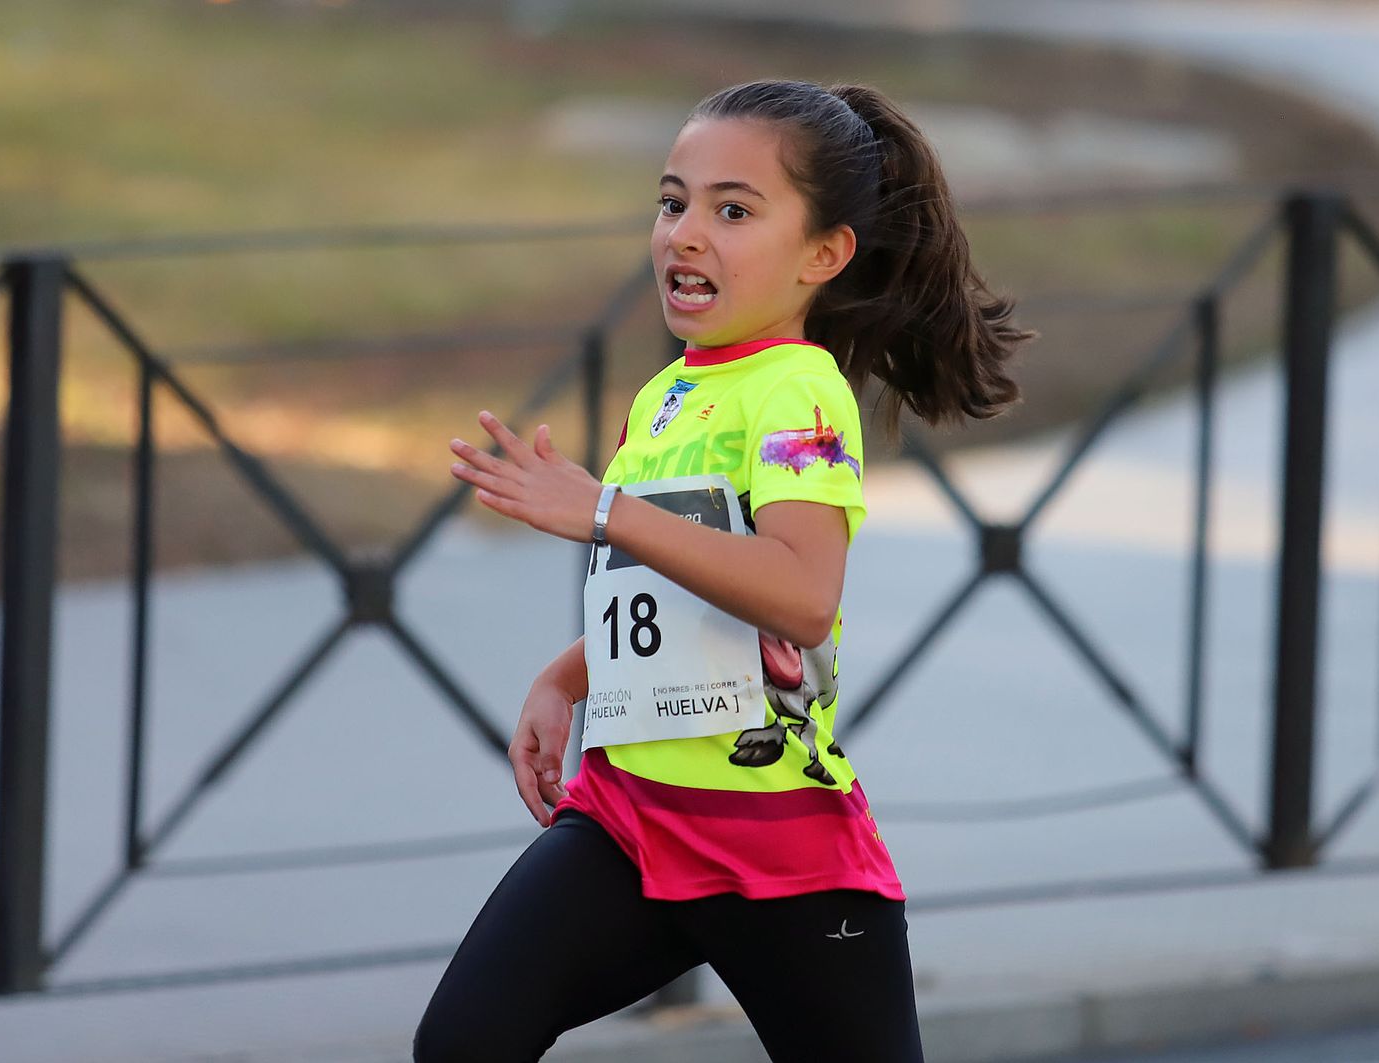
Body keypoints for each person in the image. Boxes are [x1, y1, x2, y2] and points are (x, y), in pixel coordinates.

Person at [416, 78, 1031, 1062]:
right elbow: (679, 594)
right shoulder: (663, 398)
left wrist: (603, 509)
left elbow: (798, 594)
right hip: (631, 819)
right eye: (672, 202)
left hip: (782, 855)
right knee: (464, 1041)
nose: (685, 232)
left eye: (732, 210)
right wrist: (566, 676)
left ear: (823, 255)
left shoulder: (798, 393)